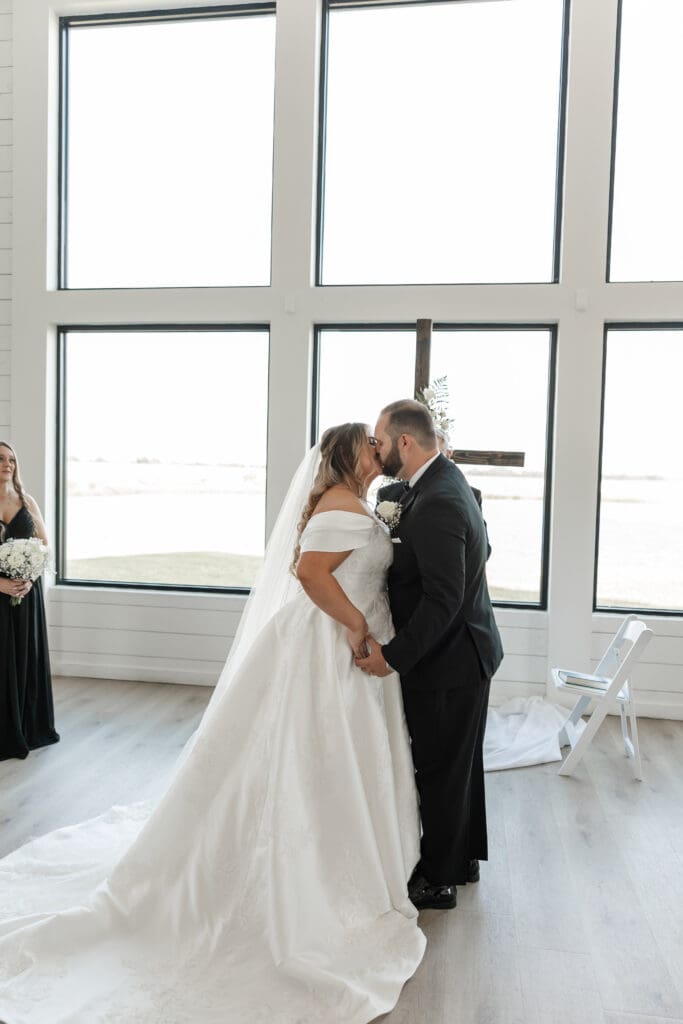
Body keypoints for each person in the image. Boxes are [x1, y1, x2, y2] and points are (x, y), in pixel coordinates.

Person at [0, 424, 425, 1023]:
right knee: (307, 756)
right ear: (347, 456)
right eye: (370, 445)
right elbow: (309, 574)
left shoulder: (358, 501)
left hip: (351, 646)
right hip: (326, 648)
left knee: (343, 760)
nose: (379, 451)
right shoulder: (337, 503)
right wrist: (358, 625)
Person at [356, 400, 503, 910]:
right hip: (466, 652)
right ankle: (460, 861)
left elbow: (445, 598)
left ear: (405, 442)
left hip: (451, 660)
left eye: (379, 439)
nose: (375, 448)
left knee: (440, 768)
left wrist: (394, 657)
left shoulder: (438, 499)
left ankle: (438, 881)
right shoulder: (442, 481)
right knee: (458, 765)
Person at [0, 441, 59, 761]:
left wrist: (28, 579)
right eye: (0, 458)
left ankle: (27, 724)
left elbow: (44, 544)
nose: (7, 464)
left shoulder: (26, 500)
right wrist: (1, 584)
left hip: (25, 592)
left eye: (11, 459)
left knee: (24, 656)